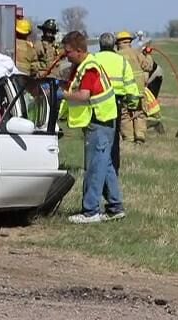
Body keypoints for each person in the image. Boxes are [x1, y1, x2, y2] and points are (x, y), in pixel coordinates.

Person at [58, 31, 124, 224]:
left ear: (79, 51)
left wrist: (61, 95)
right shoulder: (83, 65)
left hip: (99, 121)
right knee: (106, 165)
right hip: (103, 121)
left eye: (68, 51)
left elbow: (83, 96)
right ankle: (115, 207)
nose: (65, 55)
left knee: (95, 167)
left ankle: (90, 211)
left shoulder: (89, 68)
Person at [94, 32, 139, 175]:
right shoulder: (121, 61)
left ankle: (96, 168)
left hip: (96, 102)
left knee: (97, 137)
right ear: (114, 45)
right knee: (114, 138)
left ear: (100, 45)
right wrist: (133, 103)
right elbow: (130, 84)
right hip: (116, 103)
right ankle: (113, 168)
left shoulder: (93, 59)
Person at [115, 30, 154, 144]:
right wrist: (148, 54)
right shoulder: (137, 53)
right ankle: (140, 136)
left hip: (124, 91)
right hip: (139, 90)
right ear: (130, 41)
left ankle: (128, 138)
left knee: (125, 114)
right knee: (139, 113)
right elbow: (148, 66)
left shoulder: (116, 56)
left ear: (118, 43)